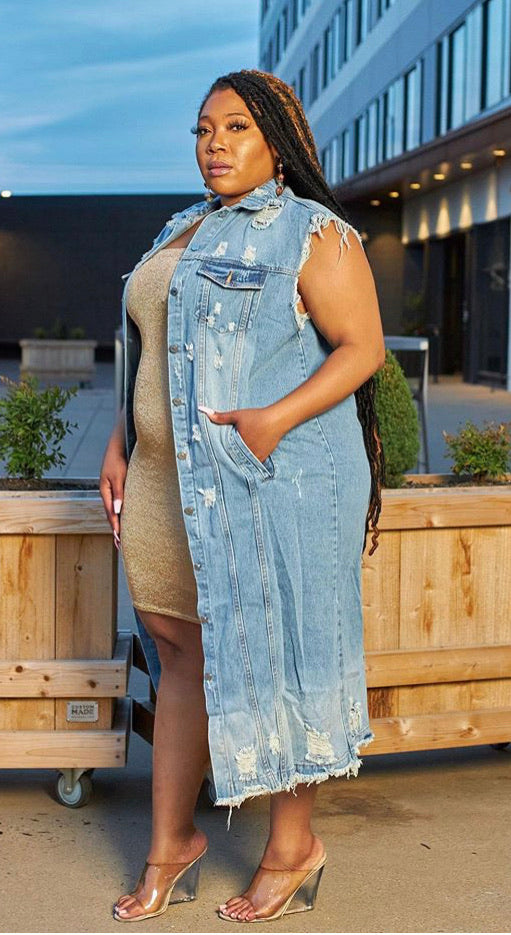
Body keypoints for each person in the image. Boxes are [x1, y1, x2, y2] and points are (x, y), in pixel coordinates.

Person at [100, 68, 385, 925]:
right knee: (176, 648)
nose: (213, 144)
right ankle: (171, 843)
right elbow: (151, 347)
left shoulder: (312, 232)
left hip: (267, 479)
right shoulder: (179, 227)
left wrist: (273, 419)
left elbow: (361, 346)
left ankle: (292, 850)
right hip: (163, 478)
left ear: (277, 142)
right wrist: (120, 441)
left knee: (281, 655)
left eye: (235, 128)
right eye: (202, 129)